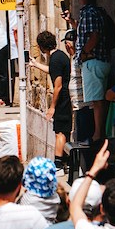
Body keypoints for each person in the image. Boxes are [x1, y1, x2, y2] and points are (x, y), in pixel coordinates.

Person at [74, 0, 115, 143]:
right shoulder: (99, 11)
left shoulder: (89, 13)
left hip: (94, 61)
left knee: (97, 101)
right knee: (98, 100)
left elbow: (94, 36)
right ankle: (99, 132)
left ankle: (98, 134)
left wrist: (84, 52)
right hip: (101, 61)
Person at [38, 31, 71, 167]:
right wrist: (35, 64)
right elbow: (53, 71)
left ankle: (58, 164)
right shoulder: (59, 56)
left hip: (62, 99)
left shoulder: (56, 59)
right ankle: (65, 162)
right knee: (63, 131)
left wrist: (52, 107)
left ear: (41, 47)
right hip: (65, 98)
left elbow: (57, 86)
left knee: (60, 132)